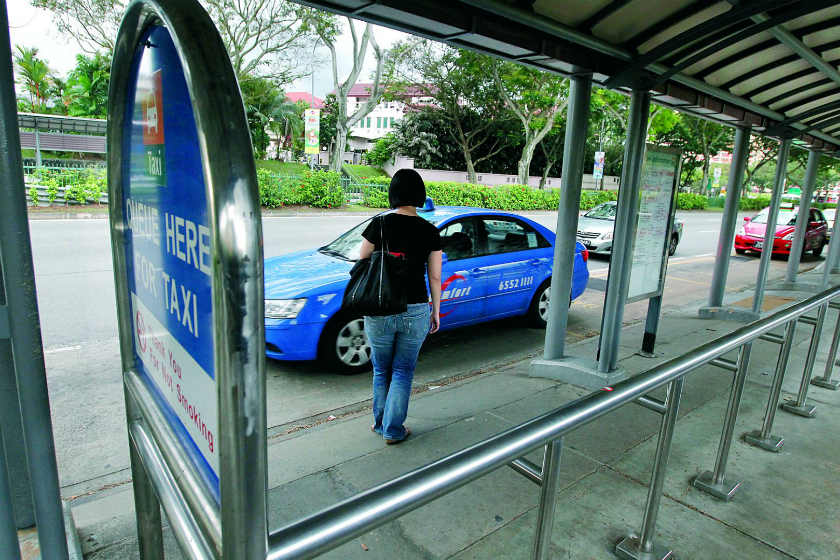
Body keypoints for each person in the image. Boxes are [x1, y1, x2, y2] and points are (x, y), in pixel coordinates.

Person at [359, 169, 441, 445]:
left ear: (393, 193)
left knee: (381, 370)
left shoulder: (379, 224)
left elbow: (362, 260)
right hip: (416, 308)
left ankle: (379, 422)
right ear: (419, 195)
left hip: (380, 307)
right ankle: (393, 430)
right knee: (403, 371)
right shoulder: (430, 231)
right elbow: (435, 275)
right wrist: (436, 310)